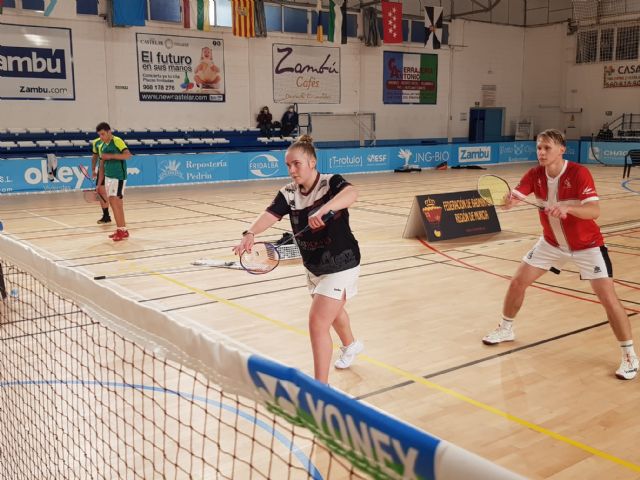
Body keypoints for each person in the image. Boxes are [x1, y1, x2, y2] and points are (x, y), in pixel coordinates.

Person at [482, 128, 638, 380]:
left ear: (562, 149)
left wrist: (568, 207)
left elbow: (594, 211)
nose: (541, 153)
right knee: (518, 282)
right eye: (538, 148)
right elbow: (516, 197)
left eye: (547, 148)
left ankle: (629, 355)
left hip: (588, 246)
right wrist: (508, 201)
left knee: (608, 298)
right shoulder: (534, 174)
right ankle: (506, 328)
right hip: (552, 243)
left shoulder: (578, 173)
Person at [233, 135, 363, 384]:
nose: (292, 170)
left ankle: (320, 389)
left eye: (297, 164)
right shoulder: (288, 193)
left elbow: (352, 193)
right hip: (314, 265)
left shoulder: (330, 183)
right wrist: (250, 232)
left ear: (312, 162)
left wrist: (324, 210)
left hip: (342, 262)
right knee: (333, 312)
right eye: (288, 165)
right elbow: (270, 214)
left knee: (317, 323)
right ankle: (352, 345)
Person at [93, 122, 132, 242]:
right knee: (114, 204)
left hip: (118, 177)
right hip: (108, 178)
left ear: (109, 132)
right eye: (99, 135)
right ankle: (122, 229)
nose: (101, 137)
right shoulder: (101, 146)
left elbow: (127, 156)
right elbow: (101, 166)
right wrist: (99, 184)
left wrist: (111, 156)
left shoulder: (117, 141)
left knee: (116, 203)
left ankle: (121, 230)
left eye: (103, 134)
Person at [90, 140, 111, 225]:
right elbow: (95, 156)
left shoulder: (115, 141)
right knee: (101, 192)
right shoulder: (96, 142)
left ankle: (119, 216)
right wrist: (93, 169)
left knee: (115, 195)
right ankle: (106, 216)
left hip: (113, 170)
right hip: (102, 169)